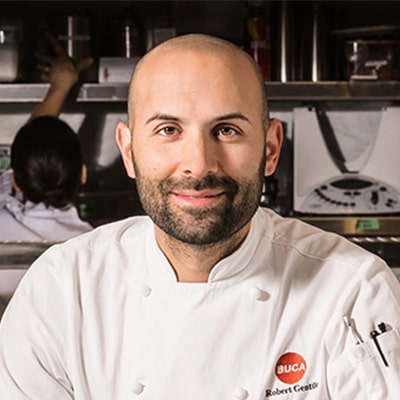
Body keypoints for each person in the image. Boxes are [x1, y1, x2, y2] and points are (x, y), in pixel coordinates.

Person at [0, 33, 399, 399]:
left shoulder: (352, 292)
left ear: (270, 149)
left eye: (226, 130)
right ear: (129, 151)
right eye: (168, 130)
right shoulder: (62, 289)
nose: (199, 164)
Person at [0, 33, 93, 241]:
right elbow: (29, 147)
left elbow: (30, 146)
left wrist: (60, 86)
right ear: (83, 174)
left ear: (15, 182)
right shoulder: (94, 247)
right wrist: (63, 84)